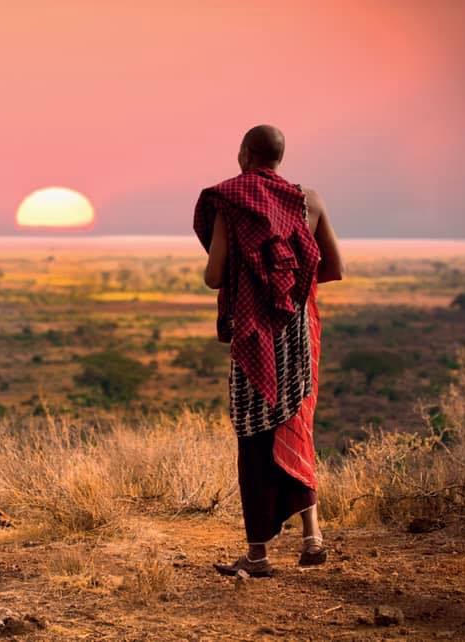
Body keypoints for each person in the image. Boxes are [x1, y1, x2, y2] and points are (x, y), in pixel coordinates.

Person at [193, 125, 344, 577]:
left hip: (254, 336)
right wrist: (286, 284)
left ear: (244, 154)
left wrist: (253, 282)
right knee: (295, 425)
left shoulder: (229, 202)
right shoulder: (309, 200)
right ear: (279, 157)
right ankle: (312, 537)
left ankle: (257, 555)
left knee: (255, 438)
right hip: (294, 332)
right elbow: (334, 265)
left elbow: (214, 276)